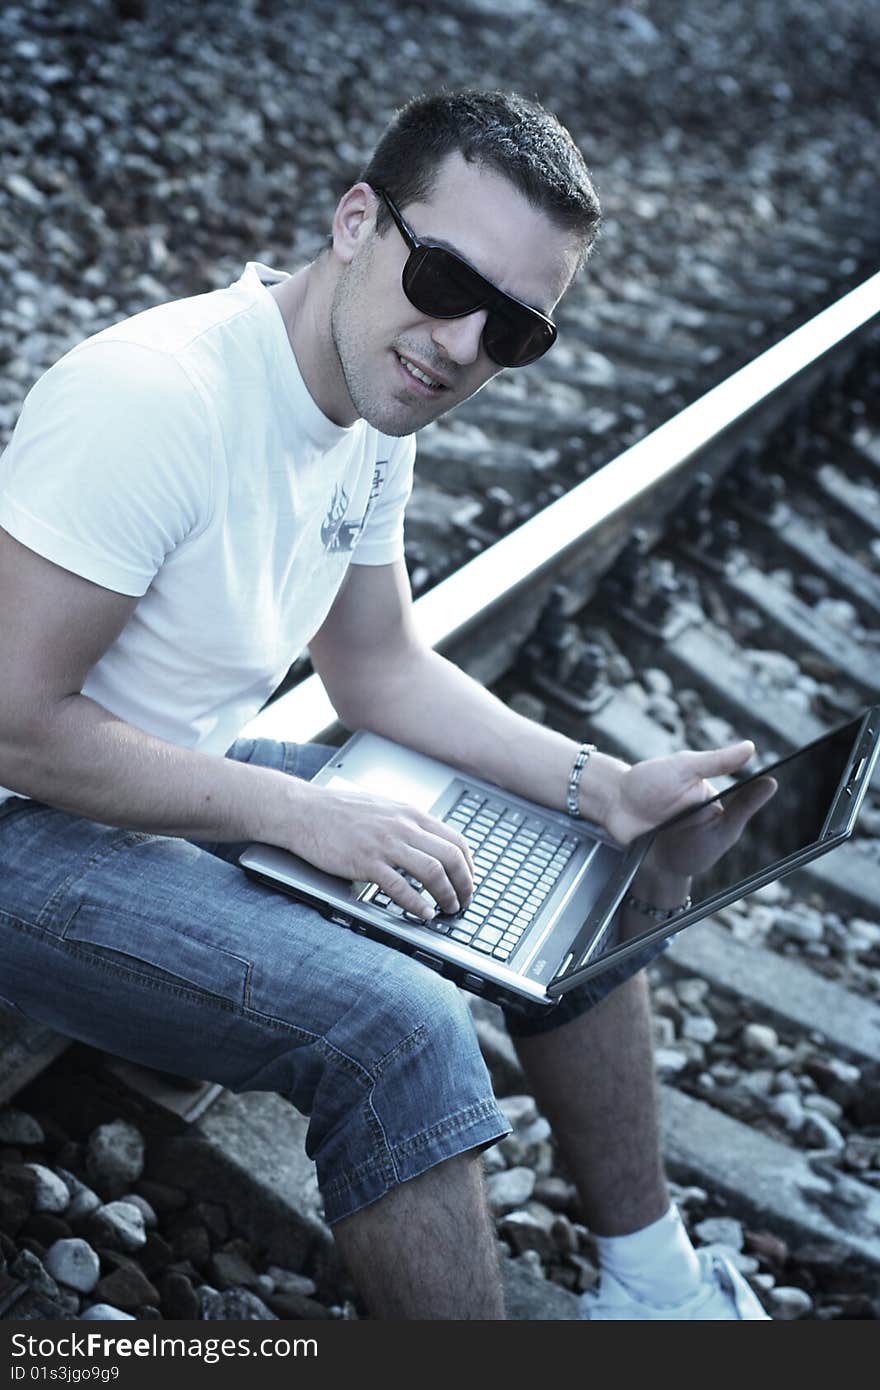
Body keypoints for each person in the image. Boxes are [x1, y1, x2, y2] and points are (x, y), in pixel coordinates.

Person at [0, 90, 769, 1320]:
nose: (463, 345)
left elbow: (378, 668)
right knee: (400, 1032)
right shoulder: (155, 398)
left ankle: (655, 1286)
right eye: (449, 280)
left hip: (157, 775)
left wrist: (602, 785)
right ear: (357, 219)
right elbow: (14, 722)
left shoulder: (368, 406)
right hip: (22, 824)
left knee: (583, 857)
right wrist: (295, 816)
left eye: (514, 329)